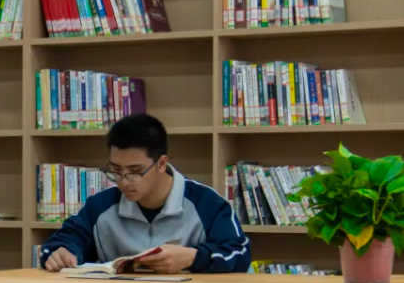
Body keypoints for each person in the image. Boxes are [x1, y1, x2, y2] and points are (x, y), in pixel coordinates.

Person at [41, 114, 250, 274]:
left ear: (161, 164)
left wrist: (194, 258)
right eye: (116, 170)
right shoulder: (101, 205)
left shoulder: (206, 203)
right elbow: (59, 243)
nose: (124, 181)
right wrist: (62, 253)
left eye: (135, 171)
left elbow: (239, 254)